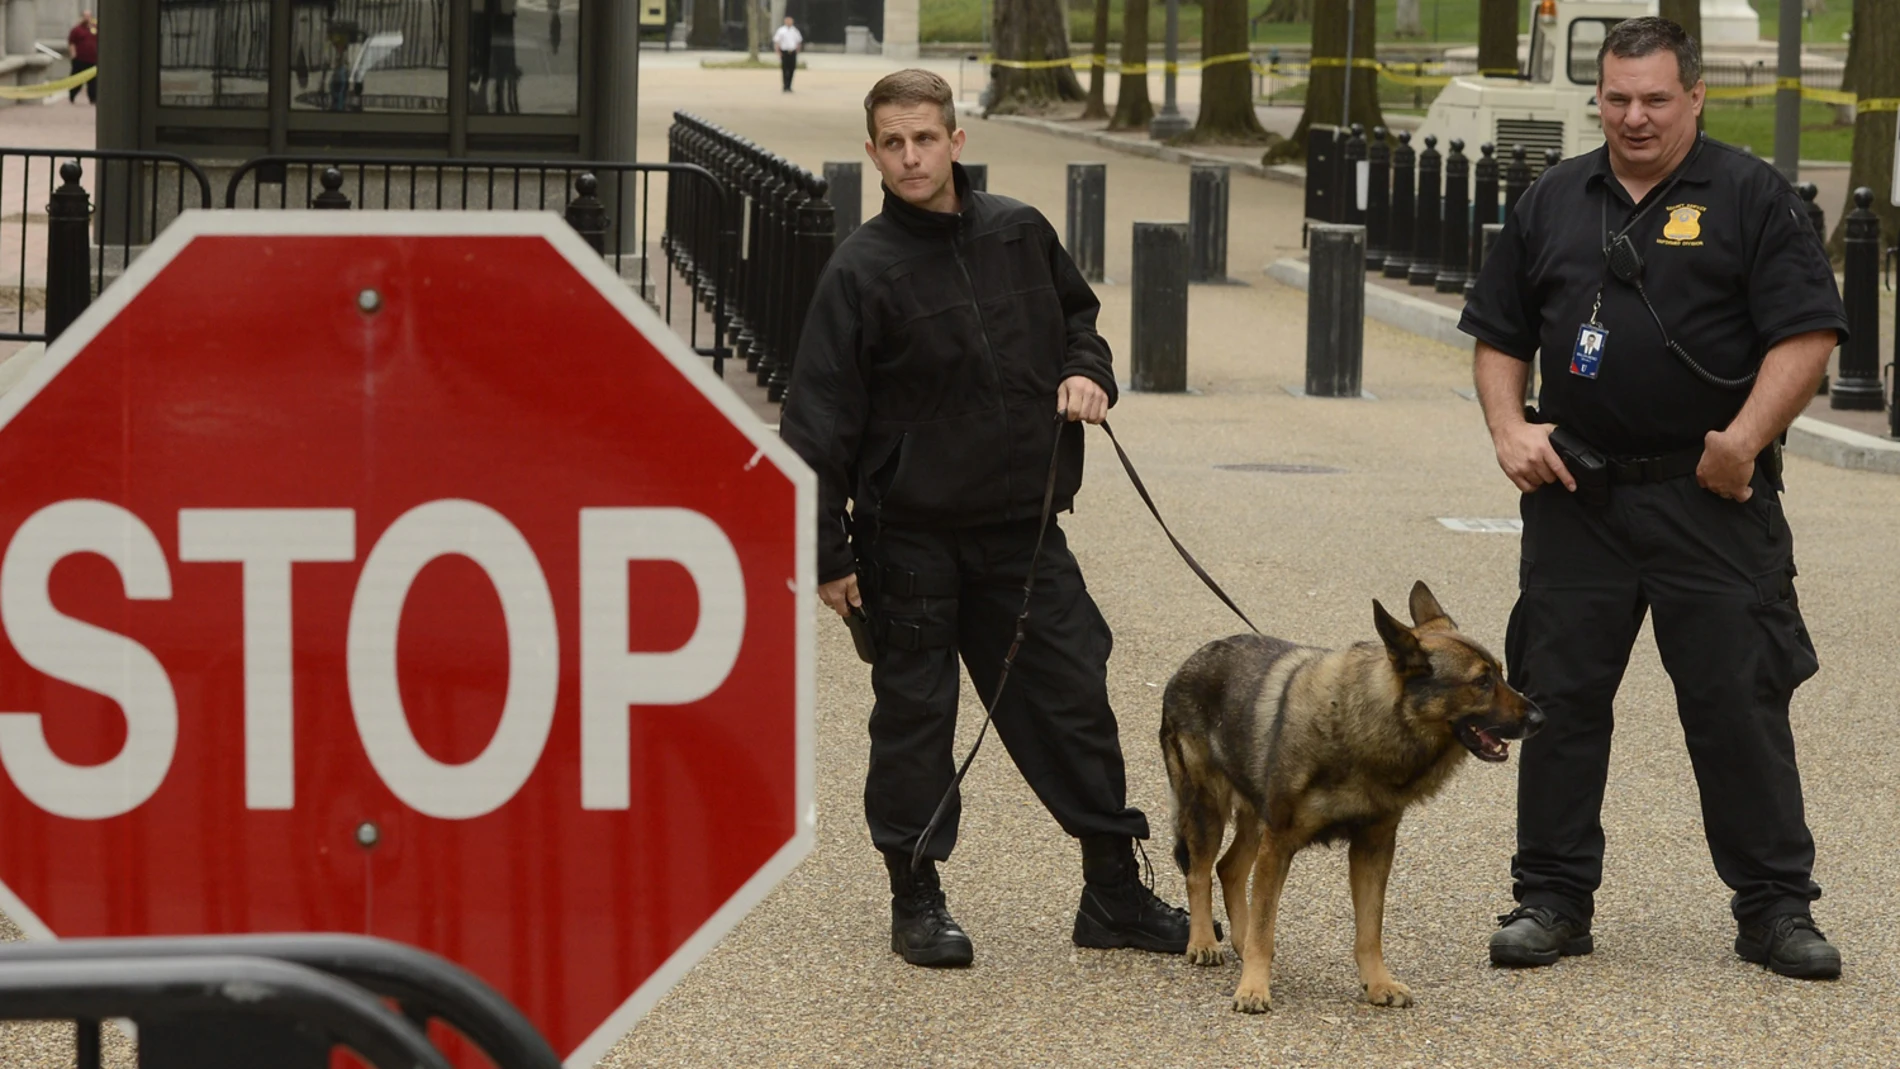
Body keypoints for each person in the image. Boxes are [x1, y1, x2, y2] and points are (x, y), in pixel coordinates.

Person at [778, 69, 1193, 968]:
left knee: (1076, 700)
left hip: (1024, 530)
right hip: (910, 538)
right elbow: (815, 424)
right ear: (873, 153)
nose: (911, 157)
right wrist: (826, 553)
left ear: (956, 140)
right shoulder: (859, 271)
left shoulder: (1021, 232)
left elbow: (1080, 320)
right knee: (916, 723)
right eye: (893, 143)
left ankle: (1113, 891)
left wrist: (1088, 371)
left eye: (925, 138)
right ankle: (916, 897)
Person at [1460, 17, 1846, 981]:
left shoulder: (1752, 196)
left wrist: (1743, 440)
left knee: (1738, 704)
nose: (1635, 117)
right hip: (1576, 496)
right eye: (1618, 98)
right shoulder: (1553, 197)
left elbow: (1807, 333)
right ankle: (1551, 898)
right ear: (1597, 97)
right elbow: (1499, 330)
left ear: (1696, 96)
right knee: (1557, 702)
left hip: (1709, 496)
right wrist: (1509, 429)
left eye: (1656, 99)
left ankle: (1776, 908)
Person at [67, 11, 97, 105]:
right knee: (76, 80)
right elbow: (71, 43)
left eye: (88, 16)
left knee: (93, 82)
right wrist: (73, 55)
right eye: (85, 16)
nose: (87, 18)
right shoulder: (76, 30)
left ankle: (93, 98)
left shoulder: (95, 28)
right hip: (80, 60)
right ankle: (72, 96)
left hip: (93, 60)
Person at [771, 16, 802, 94]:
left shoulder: (795, 31)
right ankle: (785, 85)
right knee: (785, 69)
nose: (789, 22)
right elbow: (777, 42)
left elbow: (798, 41)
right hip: (784, 51)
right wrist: (778, 52)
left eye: (790, 21)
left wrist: (797, 51)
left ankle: (789, 86)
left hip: (792, 51)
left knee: (792, 69)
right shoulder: (781, 31)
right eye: (787, 21)